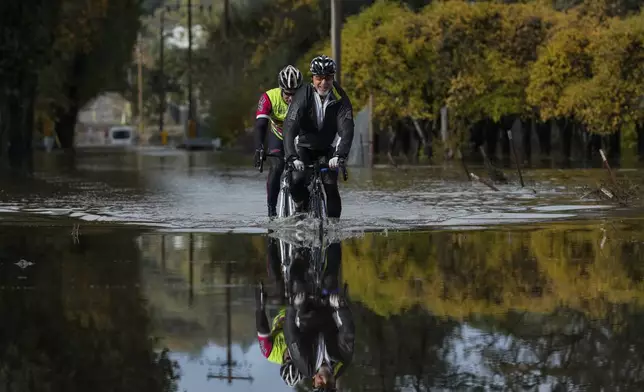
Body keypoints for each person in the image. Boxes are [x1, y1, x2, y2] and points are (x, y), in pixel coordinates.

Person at [282, 55, 355, 219]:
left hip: (328, 148)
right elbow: (290, 126)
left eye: (328, 78)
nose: (323, 83)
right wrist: (292, 156)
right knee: (298, 179)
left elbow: (347, 128)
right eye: (319, 78)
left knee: (330, 185)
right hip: (303, 146)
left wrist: (340, 154)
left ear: (333, 77)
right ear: (312, 78)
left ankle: (334, 232)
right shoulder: (303, 94)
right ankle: (302, 206)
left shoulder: (340, 96)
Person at [283, 241, 355, 391]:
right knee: (330, 277)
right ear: (334, 384)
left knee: (297, 280)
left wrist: (293, 307)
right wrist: (340, 308)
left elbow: (291, 337)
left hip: (305, 314)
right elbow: (347, 333)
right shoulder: (341, 361)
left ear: (313, 382)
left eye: (319, 384)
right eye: (327, 384)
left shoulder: (305, 366)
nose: (323, 380)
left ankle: (299, 251)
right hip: (328, 310)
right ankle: (334, 228)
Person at [254, 65, 303, 217]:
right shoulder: (269, 97)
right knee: (276, 168)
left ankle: (303, 202)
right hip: (279, 137)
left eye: (295, 93)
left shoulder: (307, 96)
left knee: (302, 172)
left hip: (299, 137)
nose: (291, 98)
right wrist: (259, 148)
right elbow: (261, 125)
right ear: (281, 89)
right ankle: (272, 211)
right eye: (288, 94)